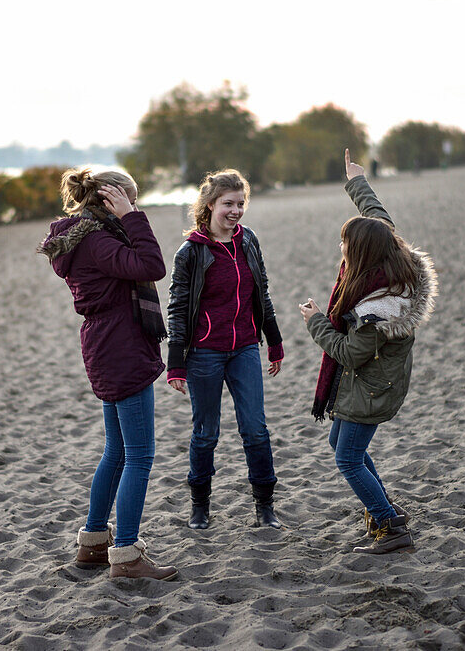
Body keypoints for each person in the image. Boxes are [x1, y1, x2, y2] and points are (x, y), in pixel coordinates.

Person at [38, 168, 178, 580]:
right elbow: (152, 265)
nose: (136, 209)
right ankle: (127, 555)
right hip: (120, 346)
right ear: (112, 200)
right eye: (132, 201)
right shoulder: (98, 241)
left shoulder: (81, 239)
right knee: (139, 454)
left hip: (104, 344)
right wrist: (134, 218)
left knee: (116, 451)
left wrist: (128, 216)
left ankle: (94, 544)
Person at [299, 150, 437, 554]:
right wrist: (357, 181)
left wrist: (315, 322)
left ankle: (390, 525)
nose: (340, 249)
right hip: (371, 381)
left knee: (347, 459)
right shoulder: (391, 254)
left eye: (345, 244)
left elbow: (350, 353)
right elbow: (378, 217)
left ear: (359, 253)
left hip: (372, 385)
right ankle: (383, 511)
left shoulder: (376, 310)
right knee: (341, 446)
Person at [166, 169, 284, 531]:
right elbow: (177, 306)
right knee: (206, 433)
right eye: (228, 204)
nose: (235, 211)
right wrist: (176, 364)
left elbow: (260, 292)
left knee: (256, 430)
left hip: (245, 348)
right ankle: (199, 507)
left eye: (241, 203)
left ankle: (265, 507)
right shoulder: (191, 252)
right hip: (204, 354)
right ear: (209, 205)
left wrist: (274, 342)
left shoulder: (248, 241)